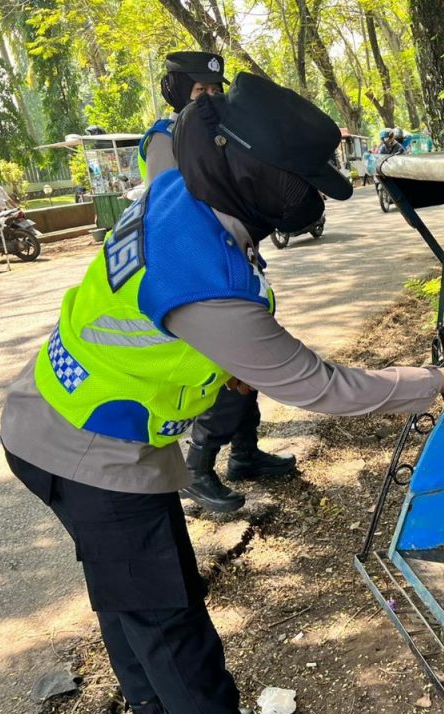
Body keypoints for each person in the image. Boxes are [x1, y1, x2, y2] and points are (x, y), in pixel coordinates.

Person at [0, 72, 444, 714]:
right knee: (173, 624)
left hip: (45, 409)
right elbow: (317, 383)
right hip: (94, 453)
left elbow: (166, 321)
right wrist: (439, 380)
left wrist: (220, 362)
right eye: (307, 184)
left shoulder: (177, 179)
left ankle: (150, 708)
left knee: (127, 595)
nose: (313, 201)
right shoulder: (207, 277)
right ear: (270, 183)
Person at [139, 51, 298, 513]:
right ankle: (197, 469)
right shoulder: (165, 138)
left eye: (214, 91)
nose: (209, 99)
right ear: (177, 94)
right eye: (198, 92)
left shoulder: (225, 134)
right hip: (198, 272)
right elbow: (173, 212)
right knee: (227, 372)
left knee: (250, 367)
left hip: (234, 260)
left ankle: (245, 455)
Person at [138, 51, 227, 185]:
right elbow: (166, 199)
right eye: (201, 90)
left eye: (216, 91)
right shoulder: (166, 137)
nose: (211, 97)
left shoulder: (219, 132)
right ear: (180, 91)